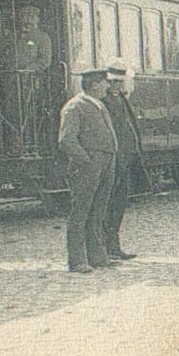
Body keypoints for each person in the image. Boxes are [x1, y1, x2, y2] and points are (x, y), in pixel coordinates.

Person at [56, 68, 119, 273]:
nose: (108, 87)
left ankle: (97, 256)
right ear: (93, 85)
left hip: (105, 162)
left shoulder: (98, 105)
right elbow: (66, 140)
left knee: (98, 211)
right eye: (104, 83)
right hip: (88, 166)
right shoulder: (75, 107)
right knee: (81, 212)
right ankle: (77, 260)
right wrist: (86, 160)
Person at [101, 65, 144, 258]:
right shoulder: (103, 102)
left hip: (126, 156)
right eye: (113, 82)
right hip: (113, 158)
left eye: (119, 81)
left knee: (119, 202)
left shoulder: (121, 100)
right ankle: (106, 247)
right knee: (108, 202)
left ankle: (114, 246)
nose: (116, 85)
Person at [14, 5, 53, 73]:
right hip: (13, 76)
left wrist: (29, 68)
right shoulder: (14, 36)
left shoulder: (43, 37)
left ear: (37, 19)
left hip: (32, 78)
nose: (28, 20)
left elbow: (45, 61)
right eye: (24, 16)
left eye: (31, 17)